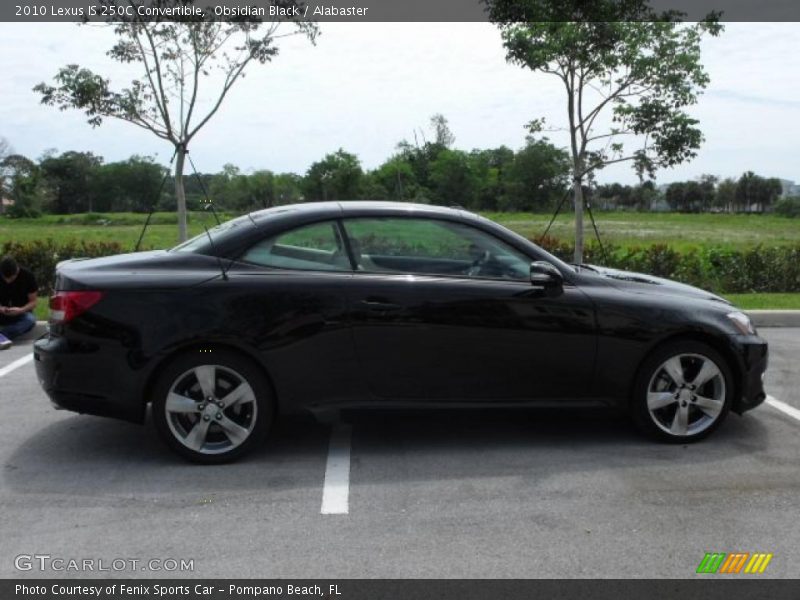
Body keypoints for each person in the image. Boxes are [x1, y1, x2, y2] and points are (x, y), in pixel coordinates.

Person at [0, 255, 38, 349]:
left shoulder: (28, 276)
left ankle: (2, 335)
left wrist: (21, 310)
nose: (8, 281)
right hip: (1, 312)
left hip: (21, 313)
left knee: (30, 320)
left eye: (11, 278)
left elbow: (33, 302)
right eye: (5, 278)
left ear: (16, 272)